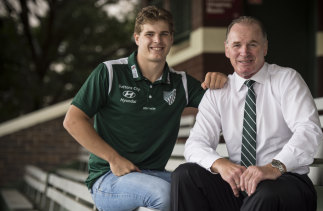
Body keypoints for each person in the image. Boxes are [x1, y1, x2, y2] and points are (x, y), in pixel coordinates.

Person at [63, 6, 227, 211]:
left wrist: (224, 83)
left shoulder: (181, 83)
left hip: (154, 174)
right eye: (150, 34)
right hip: (109, 177)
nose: (157, 40)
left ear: (171, 38)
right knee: (165, 195)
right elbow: (73, 120)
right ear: (137, 38)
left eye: (163, 34)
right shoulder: (110, 72)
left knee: (207, 190)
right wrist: (114, 159)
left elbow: (224, 107)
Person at [171, 16, 323, 211]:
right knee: (185, 175)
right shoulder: (218, 93)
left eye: (252, 44)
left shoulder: (287, 80)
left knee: (266, 194)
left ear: (265, 47)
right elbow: (195, 144)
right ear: (227, 49)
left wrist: (273, 167)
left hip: (285, 182)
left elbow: (309, 130)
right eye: (237, 45)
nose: (244, 52)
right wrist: (220, 164)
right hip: (240, 186)